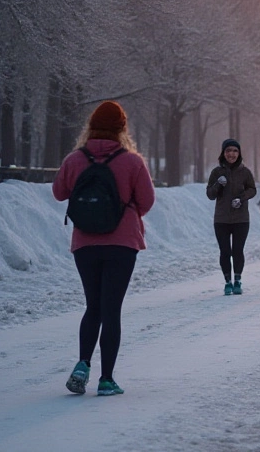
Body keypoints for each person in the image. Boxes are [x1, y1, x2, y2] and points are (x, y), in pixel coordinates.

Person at [53, 100, 156, 397]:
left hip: (85, 243)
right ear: (123, 128)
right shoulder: (133, 161)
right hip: (122, 244)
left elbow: (59, 193)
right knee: (112, 309)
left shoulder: (74, 159)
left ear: (91, 125)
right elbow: (147, 202)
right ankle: (106, 379)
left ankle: (83, 363)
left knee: (93, 307)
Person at [206, 139, 257, 296]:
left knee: (237, 250)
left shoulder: (245, 172)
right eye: (228, 151)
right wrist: (218, 185)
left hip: (241, 219)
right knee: (225, 251)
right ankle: (227, 282)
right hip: (221, 219)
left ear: (239, 153)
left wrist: (241, 199)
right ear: (223, 153)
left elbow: (252, 190)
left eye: (235, 151)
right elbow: (210, 195)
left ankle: (238, 280)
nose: (232, 154)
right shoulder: (216, 172)